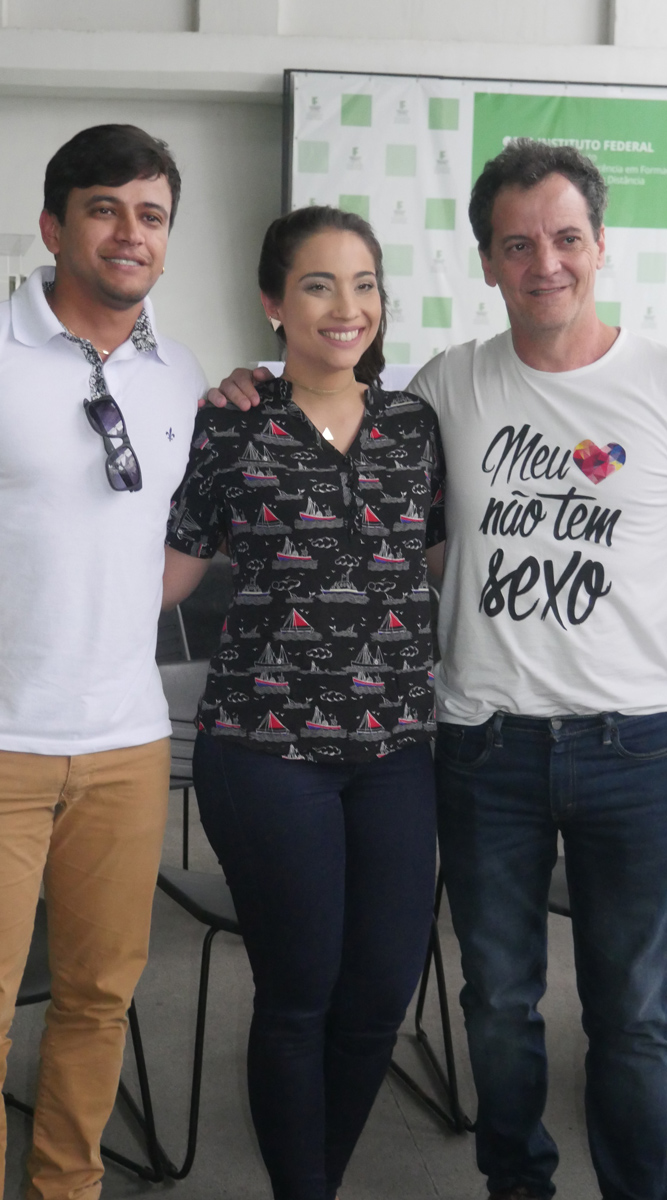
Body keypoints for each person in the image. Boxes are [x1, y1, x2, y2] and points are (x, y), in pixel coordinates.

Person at [213, 140, 667, 1200]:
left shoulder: (657, 380)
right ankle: (516, 1185)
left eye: (565, 238)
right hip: (481, 743)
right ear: (487, 262)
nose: (544, 262)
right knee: (497, 1003)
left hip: (636, 748)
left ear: (601, 244)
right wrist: (252, 380)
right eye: (517, 245)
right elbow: (341, 424)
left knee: (637, 1016)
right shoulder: (445, 389)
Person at [163, 204, 446, 1200]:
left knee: (379, 995)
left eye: (363, 284)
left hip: (397, 750)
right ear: (273, 302)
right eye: (318, 284)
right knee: (300, 994)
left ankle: (316, 1176)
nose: (346, 306)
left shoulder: (414, 426)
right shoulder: (229, 421)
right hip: (263, 747)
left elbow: (444, 566)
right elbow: (166, 576)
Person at [0, 123, 206, 1200]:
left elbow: (160, 548)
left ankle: (65, 1185)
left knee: (98, 998)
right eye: (105, 209)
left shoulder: (180, 375)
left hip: (127, 742)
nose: (131, 233)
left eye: (151, 214)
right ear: (53, 226)